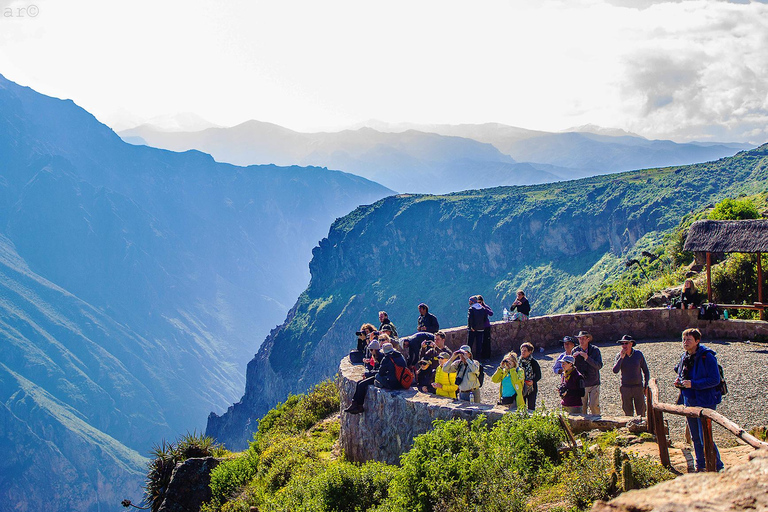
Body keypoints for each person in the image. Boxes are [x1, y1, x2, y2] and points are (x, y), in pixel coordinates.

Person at [674, 328, 724, 472]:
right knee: (695, 437)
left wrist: (694, 384)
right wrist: (679, 381)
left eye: (688, 340)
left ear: (697, 341)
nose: (685, 342)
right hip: (689, 400)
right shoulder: (684, 357)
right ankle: (700, 465)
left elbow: (715, 380)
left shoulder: (707, 357)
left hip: (705, 401)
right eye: (684, 339)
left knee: (705, 437)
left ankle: (717, 466)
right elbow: (682, 374)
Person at [344, 342, 408, 415]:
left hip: (392, 384)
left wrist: (368, 374)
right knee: (360, 383)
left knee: (363, 383)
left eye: (371, 350)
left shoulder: (386, 359)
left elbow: (380, 373)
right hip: (400, 381)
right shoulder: (400, 356)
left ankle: (358, 406)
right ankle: (355, 404)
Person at [612, 335, 650, 416]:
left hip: (638, 387)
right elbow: (615, 370)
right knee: (628, 413)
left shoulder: (638, 354)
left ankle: (643, 428)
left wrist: (646, 385)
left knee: (641, 412)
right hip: (625, 388)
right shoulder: (619, 355)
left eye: (626, 343)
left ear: (631, 344)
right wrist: (621, 358)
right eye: (622, 344)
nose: (624, 346)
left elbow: (646, 371)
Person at [572, 330, 603, 415]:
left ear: (588, 339)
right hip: (581, 384)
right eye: (579, 339)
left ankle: (597, 422)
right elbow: (571, 368)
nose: (581, 341)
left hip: (594, 382)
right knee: (582, 408)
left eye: (583, 339)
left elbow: (599, 365)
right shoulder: (575, 350)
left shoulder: (595, 350)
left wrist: (587, 358)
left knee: (594, 405)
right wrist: (572, 359)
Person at [518, 342, 541, 410]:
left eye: (525, 350)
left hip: (531, 387)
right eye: (522, 350)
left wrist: (532, 381)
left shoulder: (533, 362)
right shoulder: (518, 362)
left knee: (531, 407)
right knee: (521, 406)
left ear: (530, 352)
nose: (523, 352)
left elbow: (538, 375)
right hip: (521, 386)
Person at [476, 295, 494, 360]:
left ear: (482, 301)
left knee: (487, 341)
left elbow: (491, 313)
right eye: (477, 302)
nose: (479, 304)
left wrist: (484, 308)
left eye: (480, 302)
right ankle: (481, 356)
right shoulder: (475, 308)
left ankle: (487, 356)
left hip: (486, 326)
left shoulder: (485, 307)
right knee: (480, 342)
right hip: (479, 327)